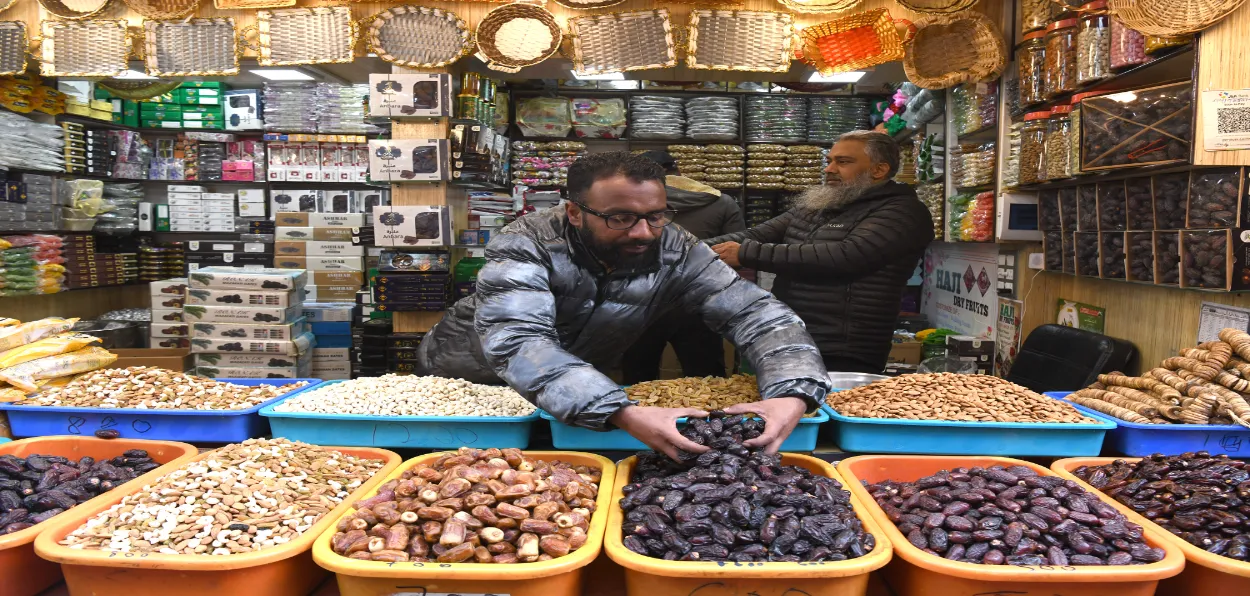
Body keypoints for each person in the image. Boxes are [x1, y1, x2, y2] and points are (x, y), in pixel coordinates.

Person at [415, 151, 831, 459]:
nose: (644, 232)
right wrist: (620, 410)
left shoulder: (674, 245)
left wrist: (793, 392)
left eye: (656, 215)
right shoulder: (526, 241)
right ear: (575, 212)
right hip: (473, 383)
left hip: (575, 386)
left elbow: (757, 314)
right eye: (620, 218)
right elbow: (518, 340)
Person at [706, 130, 934, 374]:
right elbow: (756, 234)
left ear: (879, 170)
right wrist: (685, 245)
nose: (829, 169)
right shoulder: (819, 206)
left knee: (827, 409)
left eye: (843, 162)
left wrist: (747, 253)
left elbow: (846, 257)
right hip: (788, 334)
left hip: (843, 349)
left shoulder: (903, 211)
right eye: (829, 161)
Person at [619, 150, 746, 383]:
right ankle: (708, 420)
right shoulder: (721, 203)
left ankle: (639, 419)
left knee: (638, 380)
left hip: (640, 301)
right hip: (699, 301)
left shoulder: (625, 205)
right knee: (707, 381)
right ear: (677, 169)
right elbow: (735, 256)